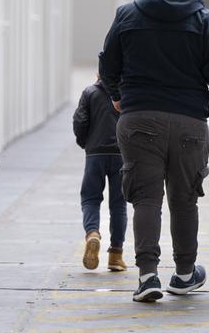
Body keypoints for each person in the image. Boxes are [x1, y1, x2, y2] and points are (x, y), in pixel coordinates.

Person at [100, 0, 209, 303]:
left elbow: (108, 63)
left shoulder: (127, 14)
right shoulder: (202, 17)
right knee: (184, 200)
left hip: (138, 118)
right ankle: (185, 274)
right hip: (189, 122)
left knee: (146, 199)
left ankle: (148, 276)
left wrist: (117, 96)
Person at [72, 74, 128, 272]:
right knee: (119, 204)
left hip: (95, 154)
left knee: (90, 198)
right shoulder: (127, 93)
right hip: (121, 154)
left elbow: (79, 121)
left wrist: (86, 144)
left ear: (99, 73)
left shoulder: (89, 93)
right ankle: (116, 255)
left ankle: (92, 233)